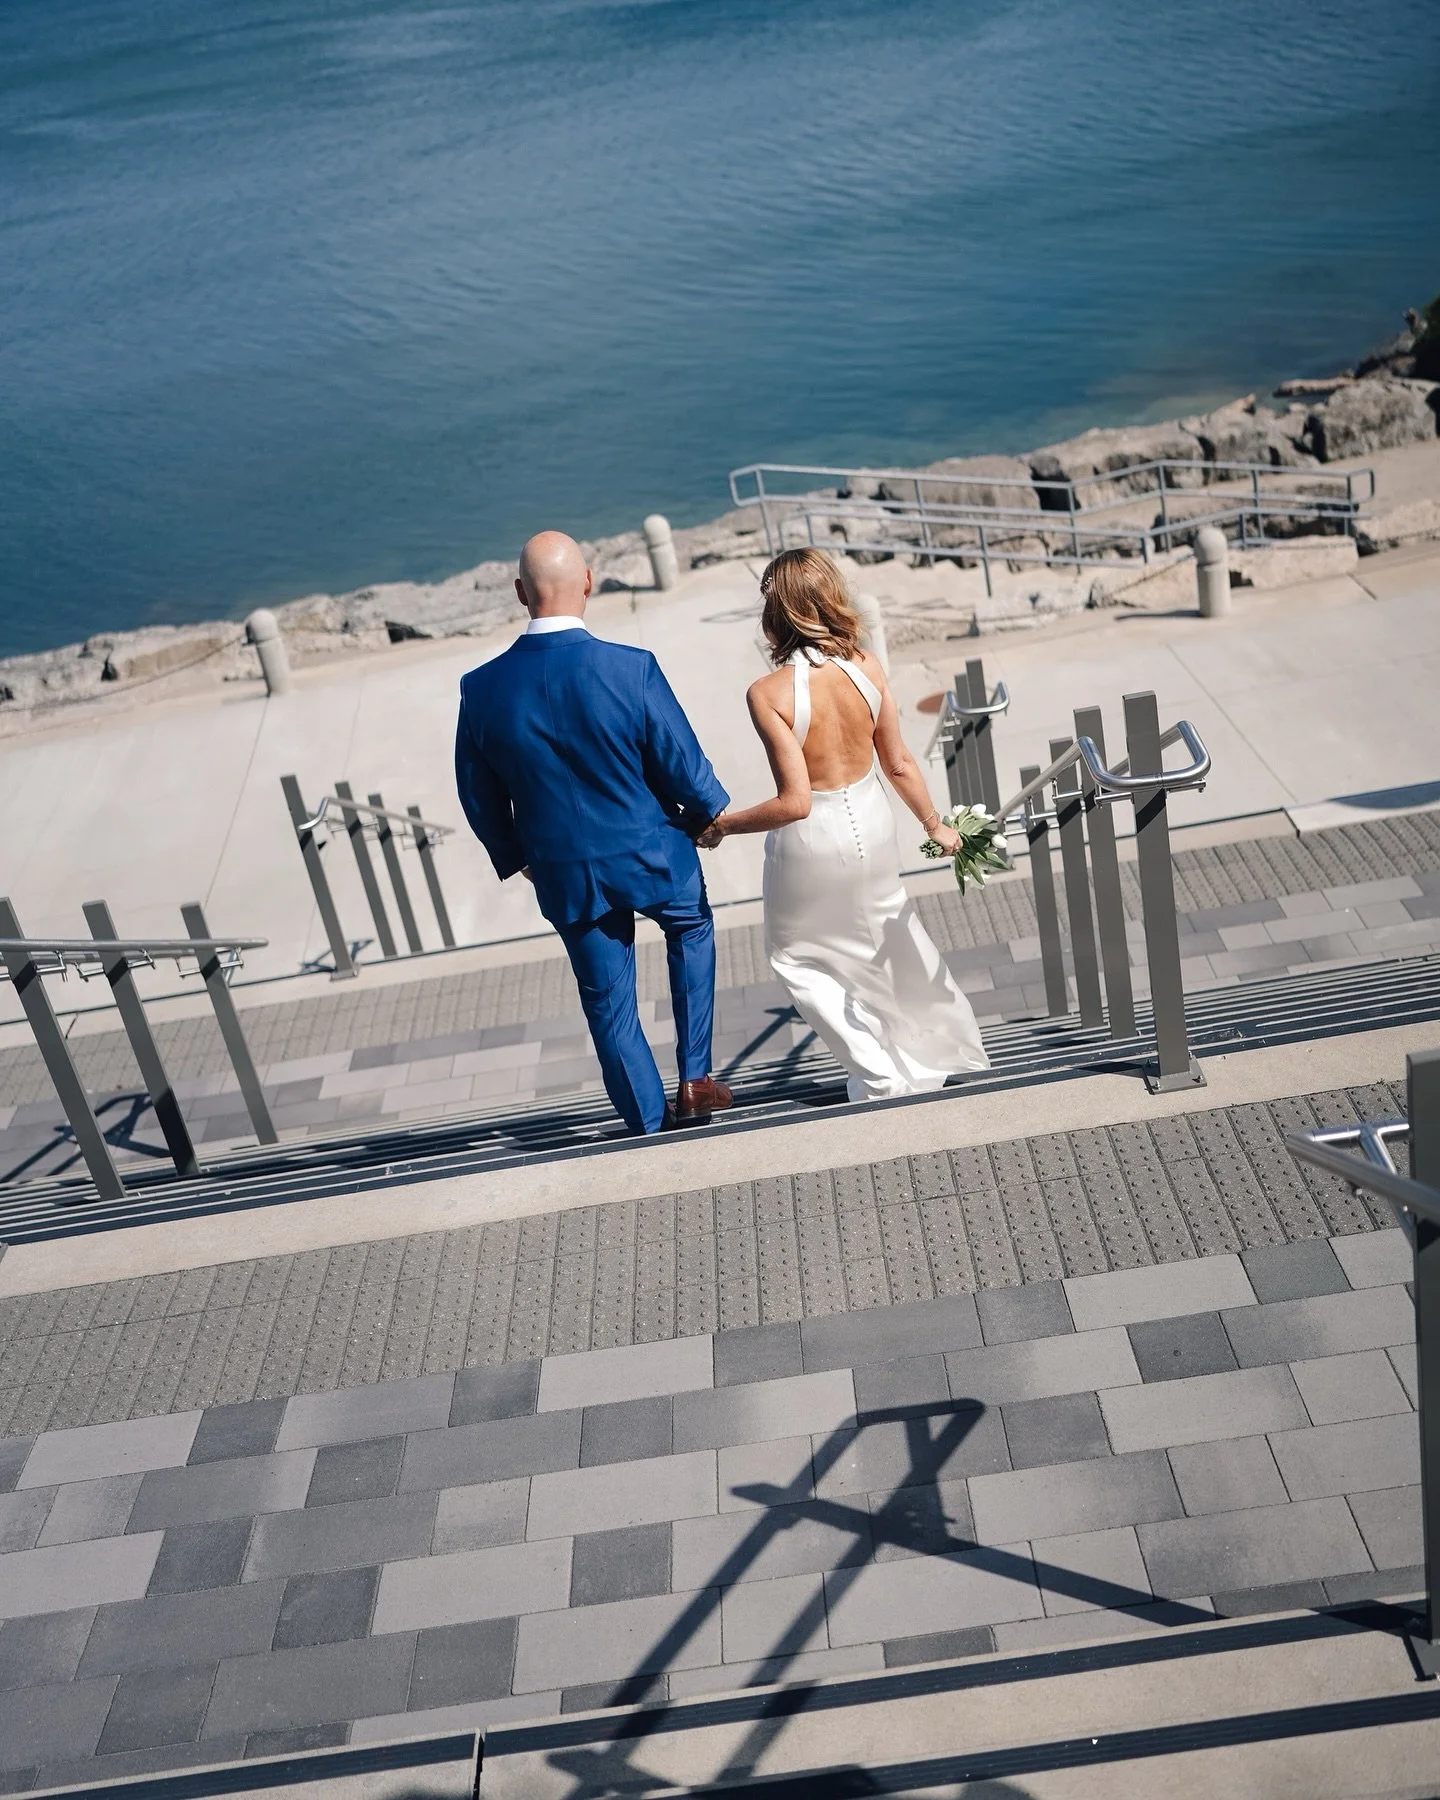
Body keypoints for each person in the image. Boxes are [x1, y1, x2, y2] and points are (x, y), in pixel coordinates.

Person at [455, 531, 733, 1134]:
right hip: (653, 852)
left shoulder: (480, 689)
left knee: (609, 1004)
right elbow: (680, 761)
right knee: (691, 928)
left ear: (520, 593)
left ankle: (648, 1127)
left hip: (565, 870)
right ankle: (695, 1079)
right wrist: (710, 811)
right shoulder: (631, 668)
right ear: (588, 581)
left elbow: (476, 795)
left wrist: (516, 855)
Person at [698, 546, 989, 1101]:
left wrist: (724, 826)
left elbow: (795, 802)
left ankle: (877, 1072)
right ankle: (934, 1050)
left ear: (776, 614)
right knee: (884, 934)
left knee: (797, 955)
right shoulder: (867, 667)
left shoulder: (767, 694)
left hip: (814, 839)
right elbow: (899, 762)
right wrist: (935, 826)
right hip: (874, 821)